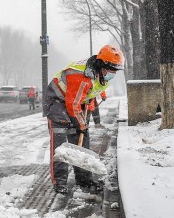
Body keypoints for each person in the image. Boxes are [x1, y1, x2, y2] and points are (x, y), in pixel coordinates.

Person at [42, 45, 124, 194]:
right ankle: (60, 182)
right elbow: (72, 104)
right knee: (60, 146)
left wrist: (83, 122)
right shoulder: (81, 76)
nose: (113, 73)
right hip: (56, 102)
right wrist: (80, 124)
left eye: (115, 71)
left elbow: (89, 94)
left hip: (76, 103)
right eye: (111, 69)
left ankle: (84, 179)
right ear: (102, 65)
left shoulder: (100, 74)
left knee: (82, 140)